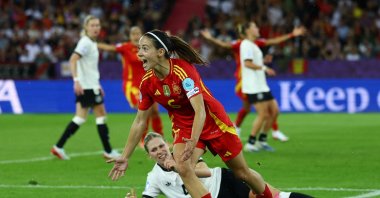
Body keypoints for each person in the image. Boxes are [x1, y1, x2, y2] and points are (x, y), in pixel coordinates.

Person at [108, 29, 273, 198]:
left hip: (213, 121)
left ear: (160, 52)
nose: (139, 53)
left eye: (144, 48)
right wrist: (125, 156)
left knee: (242, 173)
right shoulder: (147, 83)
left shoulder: (182, 71)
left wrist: (193, 141)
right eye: (139, 48)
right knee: (184, 169)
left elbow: (199, 110)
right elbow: (139, 121)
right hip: (184, 125)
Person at [201, 26, 306, 143]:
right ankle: (263, 134)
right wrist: (210, 38)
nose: (256, 29)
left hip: (253, 80)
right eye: (253, 27)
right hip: (244, 81)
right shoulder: (240, 44)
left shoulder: (254, 43)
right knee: (263, 110)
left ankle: (238, 129)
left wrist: (291, 35)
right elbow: (224, 45)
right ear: (245, 32)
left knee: (250, 108)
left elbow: (272, 41)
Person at [133, 132, 314, 198]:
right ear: (149, 155)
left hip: (223, 182)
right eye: (154, 149)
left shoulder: (182, 155)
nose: (160, 151)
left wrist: (178, 167)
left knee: (271, 196)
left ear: (168, 144)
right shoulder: (154, 177)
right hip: (209, 196)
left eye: (161, 146)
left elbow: (205, 172)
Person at [50, 15, 120, 160]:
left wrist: (97, 84)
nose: (96, 28)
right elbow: (72, 59)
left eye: (98, 25)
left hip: (90, 85)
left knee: (80, 118)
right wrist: (76, 81)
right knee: (101, 115)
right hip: (86, 87)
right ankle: (108, 151)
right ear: (86, 27)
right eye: (93, 25)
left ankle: (58, 147)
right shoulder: (85, 43)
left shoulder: (91, 43)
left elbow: (89, 68)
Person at [97, 26, 164, 147]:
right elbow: (110, 48)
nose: (136, 36)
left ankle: (161, 140)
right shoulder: (125, 47)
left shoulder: (147, 48)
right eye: (133, 34)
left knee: (155, 111)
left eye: (138, 33)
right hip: (132, 85)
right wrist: (93, 44)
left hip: (149, 83)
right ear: (130, 36)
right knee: (145, 110)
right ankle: (143, 140)